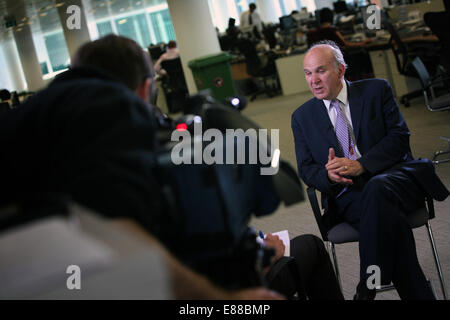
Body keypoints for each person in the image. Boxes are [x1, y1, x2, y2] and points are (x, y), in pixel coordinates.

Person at [291, 40, 449, 300]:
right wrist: (328, 175)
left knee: (377, 190)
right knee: (389, 223)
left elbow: (399, 138)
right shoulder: (302, 117)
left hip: (397, 180)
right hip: (349, 193)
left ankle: (366, 289)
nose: (313, 80)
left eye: (321, 71)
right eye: (308, 73)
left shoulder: (376, 90)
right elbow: (306, 168)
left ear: (341, 70)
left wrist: (362, 165)